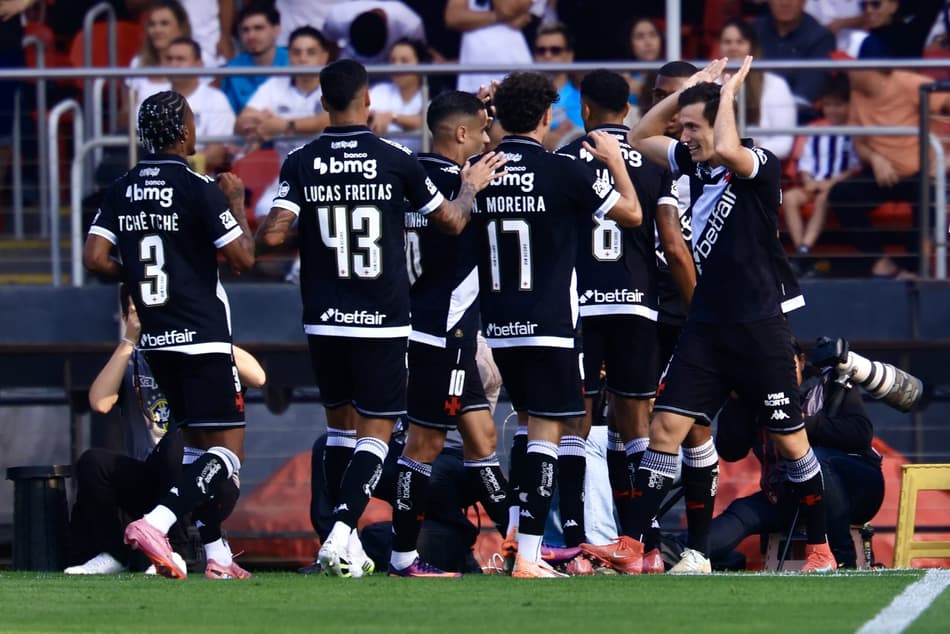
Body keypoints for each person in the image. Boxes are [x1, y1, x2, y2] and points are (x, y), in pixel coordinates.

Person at [255, 58, 505, 578]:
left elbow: (272, 238)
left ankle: (336, 537)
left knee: (340, 433)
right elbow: (453, 220)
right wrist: (469, 187)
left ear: (322, 102)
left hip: (323, 318)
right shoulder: (393, 159)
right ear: (367, 100)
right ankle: (345, 534)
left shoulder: (301, 160)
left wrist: (321, 228)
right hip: (383, 320)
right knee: (376, 432)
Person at [627, 56, 835, 574]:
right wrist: (689, 92)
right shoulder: (691, 165)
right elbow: (639, 135)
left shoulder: (757, 163)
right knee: (665, 430)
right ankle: (635, 544)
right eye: (686, 127)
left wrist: (728, 94)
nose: (686, 135)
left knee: (790, 442)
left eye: (694, 126)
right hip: (706, 327)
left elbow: (724, 145)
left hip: (760, 325)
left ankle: (820, 548)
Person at [469, 70, 643, 577]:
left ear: (498, 116)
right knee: (546, 433)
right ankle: (527, 555)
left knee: (526, 430)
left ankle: (517, 547)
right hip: (549, 323)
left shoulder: (480, 167)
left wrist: (485, 125)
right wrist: (614, 163)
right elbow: (631, 213)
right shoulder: (566, 170)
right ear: (548, 116)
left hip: (498, 323)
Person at [83, 90, 256, 580]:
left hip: (156, 340)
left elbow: (94, 258)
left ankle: (218, 556)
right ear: (184, 133)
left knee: (198, 451)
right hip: (201, 335)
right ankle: (155, 523)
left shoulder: (122, 187)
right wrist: (237, 204)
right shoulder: (198, 186)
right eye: (192, 121)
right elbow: (243, 258)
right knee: (227, 454)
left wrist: (135, 275)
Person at [555, 70, 679, 570]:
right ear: (627, 109)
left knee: (575, 425)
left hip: (582, 303)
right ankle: (642, 543)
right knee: (637, 425)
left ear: (584, 108)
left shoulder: (566, 158)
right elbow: (672, 240)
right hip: (638, 302)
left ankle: (578, 544)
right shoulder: (653, 160)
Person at [390, 90, 513, 577]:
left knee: (482, 436)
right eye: (481, 131)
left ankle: (527, 543)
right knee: (423, 447)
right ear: (461, 134)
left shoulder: (407, 178)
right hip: (444, 331)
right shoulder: (463, 185)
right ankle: (402, 557)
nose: (487, 140)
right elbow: (511, 159)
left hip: (417, 324)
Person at [66, 284, 265, 576]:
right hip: (152, 478)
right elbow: (99, 402)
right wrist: (129, 341)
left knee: (177, 442)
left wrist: (200, 330)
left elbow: (258, 376)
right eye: (137, 311)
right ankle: (114, 554)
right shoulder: (132, 359)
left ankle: (177, 552)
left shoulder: (201, 352)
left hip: (208, 482)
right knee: (93, 463)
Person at [708, 336, 885, 570]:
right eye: (770, 367)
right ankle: (681, 551)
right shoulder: (757, 398)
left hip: (856, 489)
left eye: (785, 364)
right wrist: (737, 400)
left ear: (801, 361)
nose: (779, 373)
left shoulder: (830, 382)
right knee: (741, 513)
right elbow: (731, 452)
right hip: (790, 494)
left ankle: (843, 559)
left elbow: (860, 434)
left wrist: (802, 424)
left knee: (816, 461)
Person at [827, 42, 950, 278]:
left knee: (928, 194)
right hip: (884, 174)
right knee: (841, 194)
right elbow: (859, 143)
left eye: (848, 66)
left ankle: (918, 272)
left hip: (921, 172)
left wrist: (947, 156)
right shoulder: (856, 92)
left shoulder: (908, 83)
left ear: (868, 68)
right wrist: (875, 158)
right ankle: (883, 264)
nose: (843, 72)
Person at [235, 25, 331, 220]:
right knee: (265, 214)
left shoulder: (333, 83)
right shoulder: (275, 85)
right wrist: (257, 122)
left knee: (318, 219)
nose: (303, 58)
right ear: (289, 56)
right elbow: (242, 121)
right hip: (288, 177)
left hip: (330, 176)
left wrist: (283, 125)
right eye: (297, 52)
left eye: (310, 52)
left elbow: (328, 120)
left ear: (324, 56)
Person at [781, 73, 860, 268]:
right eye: (828, 105)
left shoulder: (855, 130)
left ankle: (805, 249)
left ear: (850, 105)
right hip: (813, 183)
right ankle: (801, 251)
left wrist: (830, 183)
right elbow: (805, 161)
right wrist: (807, 180)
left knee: (825, 197)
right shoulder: (814, 129)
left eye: (839, 105)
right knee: (790, 198)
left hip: (836, 186)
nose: (832, 110)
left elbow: (855, 166)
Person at [719, 17, 796, 160]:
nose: (733, 47)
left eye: (740, 42)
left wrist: (746, 154)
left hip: (760, 164)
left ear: (752, 46)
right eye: (727, 42)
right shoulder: (711, 85)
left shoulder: (775, 85)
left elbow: (784, 143)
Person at [163, 37, 236, 174]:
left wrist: (171, 164)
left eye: (180, 59)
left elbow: (217, 154)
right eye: (169, 59)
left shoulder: (216, 99)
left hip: (199, 182)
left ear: (199, 64)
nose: (173, 64)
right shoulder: (152, 99)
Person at [754, 0, 836, 123]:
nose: (785, 3)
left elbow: (805, 94)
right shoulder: (753, 31)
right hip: (753, 112)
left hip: (799, 118)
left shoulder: (821, 37)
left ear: (804, 2)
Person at [445, 0, 539, 95]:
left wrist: (477, 17)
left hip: (515, 68)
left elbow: (506, 9)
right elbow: (453, 17)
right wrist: (499, 17)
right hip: (475, 74)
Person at [125, 0, 191, 117]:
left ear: (181, 27)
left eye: (164, 23)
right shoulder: (138, 64)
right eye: (152, 24)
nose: (157, 30)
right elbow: (124, 116)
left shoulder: (196, 62)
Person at [221, 2, 288, 115]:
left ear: (276, 30)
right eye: (246, 30)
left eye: (259, 28)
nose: (251, 35)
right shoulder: (233, 68)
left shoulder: (294, 61)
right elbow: (228, 116)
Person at [322, 0, 425, 66]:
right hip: (349, 66)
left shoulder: (409, 24)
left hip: (390, 70)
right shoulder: (338, 17)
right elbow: (328, 46)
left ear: (389, 30)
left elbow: (418, 56)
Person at [368, 38, 427, 152]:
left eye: (404, 61)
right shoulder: (380, 90)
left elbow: (431, 122)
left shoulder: (429, 92)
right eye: (393, 60)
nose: (397, 66)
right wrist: (371, 117)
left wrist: (392, 117)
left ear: (420, 63)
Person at [532, 22, 583, 150]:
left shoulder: (584, 98)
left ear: (569, 56)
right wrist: (552, 136)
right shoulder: (521, 96)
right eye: (541, 50)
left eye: (555, 50)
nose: (547, 55)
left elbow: (581, 142)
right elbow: (497, 135)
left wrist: (533, 134)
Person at [625, 16, 663, 114]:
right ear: (630, 42)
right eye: (640, 37)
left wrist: (642, 89)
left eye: (653, 35)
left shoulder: (669, 74)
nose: (648, 42)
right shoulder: (623, 77)